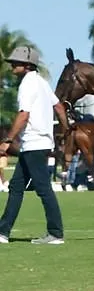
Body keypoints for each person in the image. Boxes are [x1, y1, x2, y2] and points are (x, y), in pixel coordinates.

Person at [0, 46, 68, 244]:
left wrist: (8, 140)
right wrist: (66, 130)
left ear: (27, 65)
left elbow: (23, 115)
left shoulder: (27, 84)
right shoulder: (42, 82)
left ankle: (56, 233)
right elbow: (59, 107)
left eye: (16, 63)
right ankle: (3, 231)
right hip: (39, 143)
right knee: (16, 186)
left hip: (34, 143)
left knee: (43, 188)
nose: (12, 65)